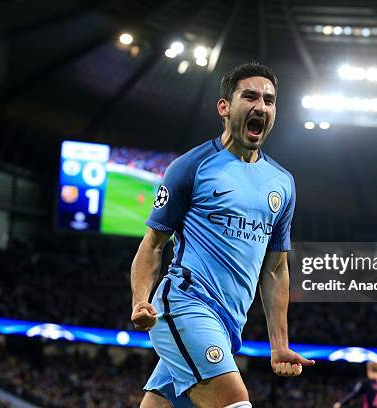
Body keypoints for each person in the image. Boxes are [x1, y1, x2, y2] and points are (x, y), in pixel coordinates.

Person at [130, 62, 314, 408]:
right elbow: (152, 246)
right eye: (250, 96)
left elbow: (275, 269)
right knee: (234, 400)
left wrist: (279, 344)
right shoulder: (191, 166)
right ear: (224, 107)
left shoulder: (282, 183)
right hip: (186, 304)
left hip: (229, 325)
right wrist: (140, 298)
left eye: (270, 100)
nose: (261, 106)